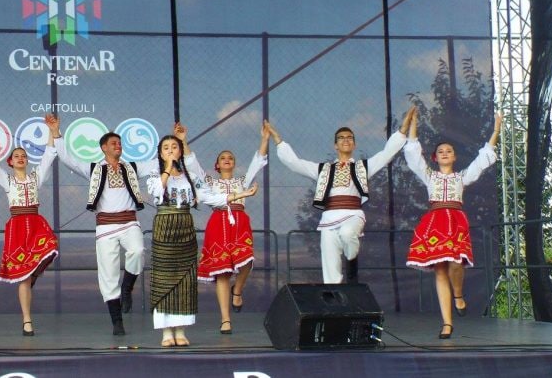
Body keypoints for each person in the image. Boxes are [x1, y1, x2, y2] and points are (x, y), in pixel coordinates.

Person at [267, 107, 415, 284]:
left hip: (353, 215)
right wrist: (278, 140)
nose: (346, 140)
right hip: (328, 218)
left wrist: (403, 129)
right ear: (335, 145)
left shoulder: (362, 167)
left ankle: (351, 258)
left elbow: (386, 154)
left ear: (354, 144)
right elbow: (295, 163)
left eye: (350, 137)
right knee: (330, 265)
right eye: (341, 138)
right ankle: (333, 294)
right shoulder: (324, 169)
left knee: (347, 233)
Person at [54, 121, 168, 336]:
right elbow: (68, 158)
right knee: (108, 274)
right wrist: (55, 134)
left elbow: (157, 163)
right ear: (103, 147)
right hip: (105, 226)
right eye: (114, 143)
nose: (118, 145)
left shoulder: (131, 167)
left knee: (138, 251)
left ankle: (127, 287)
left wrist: (176, 143)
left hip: (129, 221)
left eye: (120, 143)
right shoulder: (94, 169)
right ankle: (117, 321)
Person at [402, 112, 501, 339]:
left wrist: (496, 131)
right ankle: (447, 323)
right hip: (435, 222)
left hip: (455, 221)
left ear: (454, 157)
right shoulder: (429, 176)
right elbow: (413, 154)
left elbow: (482, 160)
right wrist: (414, 125)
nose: (445, 153)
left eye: (449, 151)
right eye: (440, 151)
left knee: (456, 263)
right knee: (440, 269)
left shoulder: (462, 177)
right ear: (435, 158)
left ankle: (458, 294)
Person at [0, 114, 60, 336]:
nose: (21, 158)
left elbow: (48, 156)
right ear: (10, 162)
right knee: (23, 276)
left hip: (36, 224)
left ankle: (31, 279)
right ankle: (27, 320)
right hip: (18, 228)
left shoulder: (35, 177)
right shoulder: (7, 180)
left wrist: (52, 132)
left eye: (24, 155)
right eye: (17, 156)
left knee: (51, 248)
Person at [145, 125, 215, 347]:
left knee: (185, 278)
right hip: (165, 225)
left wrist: (237, 196)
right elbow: (157, 191)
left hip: (185, 225)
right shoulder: (155, 174)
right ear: (160, 153)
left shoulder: (189, 176)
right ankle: (166, 331)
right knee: (164, 277)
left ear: (180, 150)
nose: (170, 150)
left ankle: (181, 329)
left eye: (174, 147)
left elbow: (206, 190)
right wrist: (167, 168)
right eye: (166, 148)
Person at [197, 123, 270, 335]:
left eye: (230, 157)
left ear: (235, 164)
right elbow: (193, 166)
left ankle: (237, 289)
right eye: (223, 158)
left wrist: (265, 139)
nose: (227, 159)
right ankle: (225, 319)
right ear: (217, 165)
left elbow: (257, 162)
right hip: (218, 224)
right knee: (222, 272)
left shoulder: (242, 181)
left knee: (247, 260)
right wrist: (183, 142)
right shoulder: (210, 182)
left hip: (239, 222)